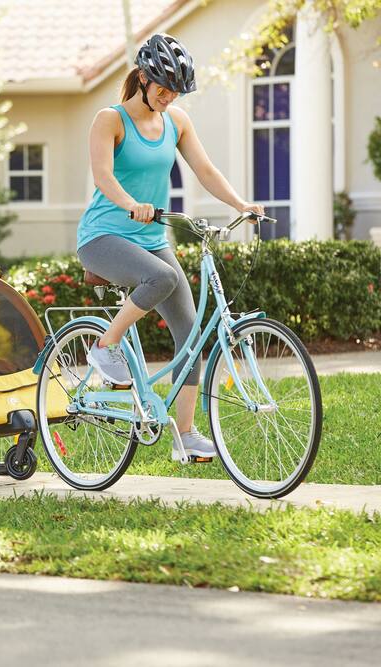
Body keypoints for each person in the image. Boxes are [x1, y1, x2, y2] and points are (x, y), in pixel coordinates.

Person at [77, 33, 264, 462]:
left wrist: (241, 204)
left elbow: (205, 169)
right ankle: (105, 346)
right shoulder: (109, 119)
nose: (168, 96)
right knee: (160, 277)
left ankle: (184, 434)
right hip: (103, 237)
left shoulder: (176, 121)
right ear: (142, 78)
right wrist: (130, 205)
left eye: (175, 90)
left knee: (190, 333)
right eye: (162, 87)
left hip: (151, 239)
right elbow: (103, 176)